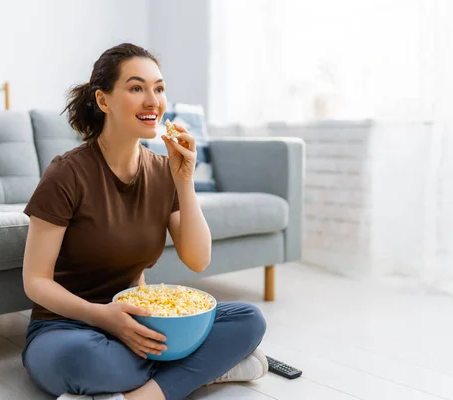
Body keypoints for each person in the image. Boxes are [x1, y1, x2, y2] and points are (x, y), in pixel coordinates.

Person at [20, 43, 268, 400]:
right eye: (137, 88)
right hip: (67, 328)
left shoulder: (163, 171)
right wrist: (104, 317)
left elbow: (198, 259)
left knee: (248, 319)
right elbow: (36, 282)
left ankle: (139, 396)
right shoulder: (67, 173)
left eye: (159, 88)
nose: (153, 100)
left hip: (142, 324)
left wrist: (185, 181)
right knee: (89, 362)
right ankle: (209, 370)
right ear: (103, 101)